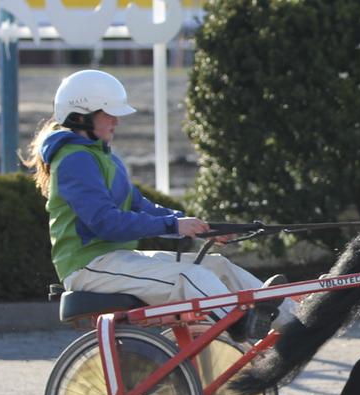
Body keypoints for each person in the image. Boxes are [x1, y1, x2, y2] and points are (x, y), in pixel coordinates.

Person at [23, 69, 296, 341]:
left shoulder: (102, 157)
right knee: (188, 278)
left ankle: (297, 325)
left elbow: (140, 206)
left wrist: (199, 227)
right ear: (81, 116)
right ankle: (243, 324)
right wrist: (174, 224)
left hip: (115, 260)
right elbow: (106, 223)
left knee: (218, 266)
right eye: (109, 114)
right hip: (89, 267)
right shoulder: (74, 160)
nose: (116, 121)